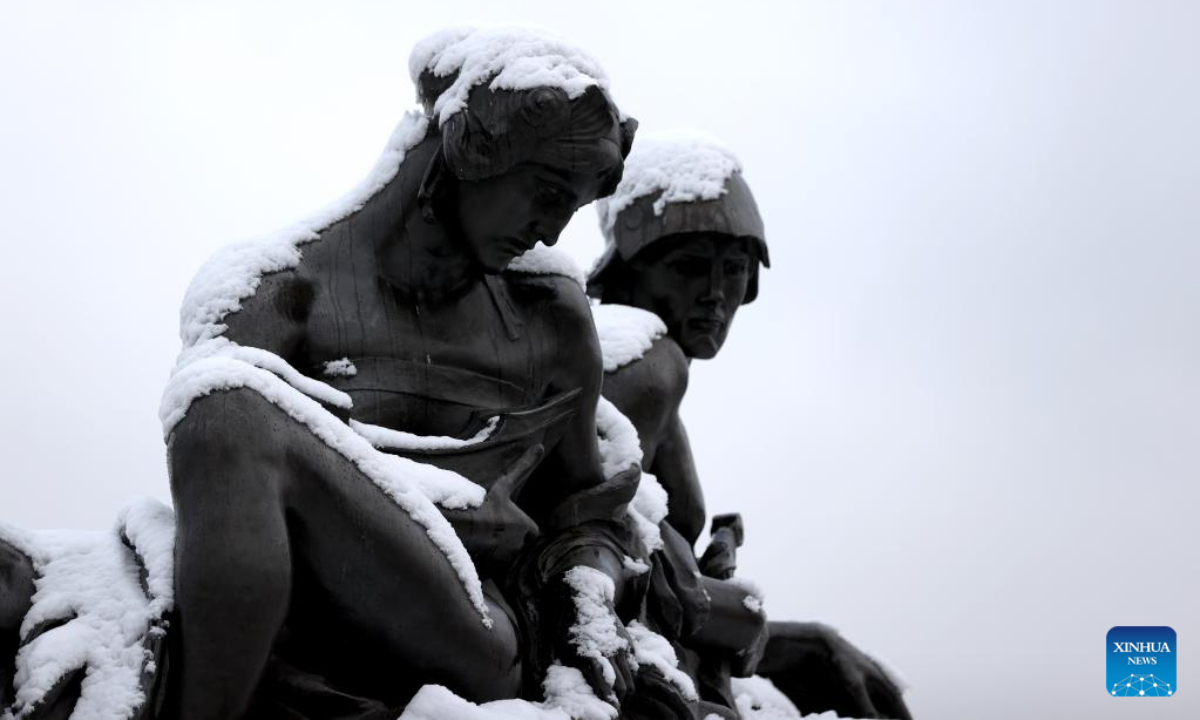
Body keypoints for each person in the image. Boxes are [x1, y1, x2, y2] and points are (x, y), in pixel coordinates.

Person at [162, 27, 641, 719]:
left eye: (570, 208)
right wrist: (438, 498)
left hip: (475, 631)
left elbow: (584, 512)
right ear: (470, 153)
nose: (552, 233)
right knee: (221, 410)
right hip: (308, 622)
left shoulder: (550, 315)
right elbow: (217, 491)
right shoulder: (281, 294)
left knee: (228, 410)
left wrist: (588, 597)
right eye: (545, 193)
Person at [590, 130, 913, 719]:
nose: (716, 295)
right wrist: (748, 617)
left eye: (734, 271)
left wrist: (787, 639)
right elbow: (594, 565)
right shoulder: (645, 364)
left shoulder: (638, 362)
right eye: (690, 268)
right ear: (628, 271)